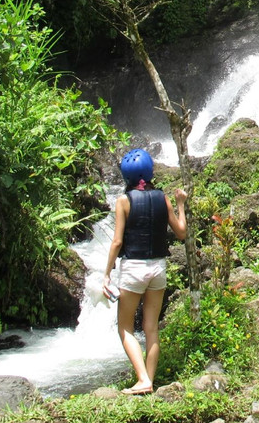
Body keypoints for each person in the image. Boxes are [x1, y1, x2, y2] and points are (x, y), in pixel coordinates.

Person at [102, 148, 187, 395]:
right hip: (158, 268)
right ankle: (148, 380)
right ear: (150, 172)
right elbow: (181, 232)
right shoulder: (163, 198)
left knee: (125, 327)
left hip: (133, 270)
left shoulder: (123, 201)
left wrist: (107, 273)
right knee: (151, 327)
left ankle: (143, 379)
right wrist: (181, 204)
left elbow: (117, 242)